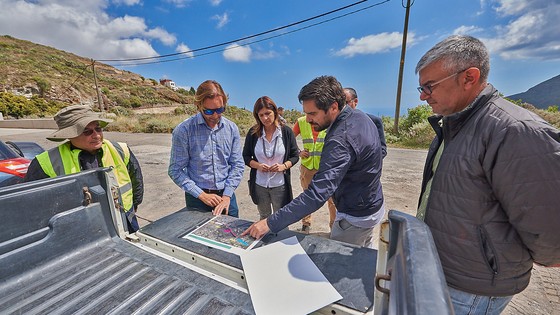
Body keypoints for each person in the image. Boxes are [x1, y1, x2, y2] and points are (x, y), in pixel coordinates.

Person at [415, 35, 560, 315]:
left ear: (469, 77)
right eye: (421, 87)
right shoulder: (455, 123)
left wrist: (550, 254)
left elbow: (547, 218)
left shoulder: (514, 130)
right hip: (447, 273)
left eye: (429, 86)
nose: (422, 95)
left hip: (473, 286)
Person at [243, 75, 385, 248]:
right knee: (364, 254)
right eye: (306, 113)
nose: (308, 120)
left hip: (355, 215)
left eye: (312, 114)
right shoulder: (360, 116)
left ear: (333, 107)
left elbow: (316, 195)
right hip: (371, 203)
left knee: (343, 268)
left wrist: (269, 223)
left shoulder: (341, 138)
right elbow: (378, 135)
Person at [24, 105, 144, 232]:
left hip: (124, 218)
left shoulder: (120, 150)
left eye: (98, 129)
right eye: (87, 131)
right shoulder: (46, 162)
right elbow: (34, 204)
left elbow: (136, 179)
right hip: (79, 228)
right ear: (69, 135)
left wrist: (135, 203)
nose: (97, 135)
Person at [168, 80, 245, 217]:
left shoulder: (231, 128)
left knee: (232, 236)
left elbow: (237, 164)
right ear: (198, 106)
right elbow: (175, 170)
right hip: (197, 199)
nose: (215, 116)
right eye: (209, 111)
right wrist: (201, 195)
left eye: (220, 110)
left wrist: (227, 195)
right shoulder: (184, 131)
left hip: (226, 196)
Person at [242, 96, 299, 220]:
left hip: (280, 185)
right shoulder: (253, 133)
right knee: (264, 217)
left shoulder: (286, 132)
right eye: (261, 115)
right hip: (259, 184)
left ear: (275, 112)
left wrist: (283, 166)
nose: (265, 118)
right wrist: (258, 166)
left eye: (268, 113)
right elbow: (245, 156)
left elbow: (295, 156)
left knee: (282, 218)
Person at [292, 115, 337, 232]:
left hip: (326, 167)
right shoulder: (301, 121)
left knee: (332, 198)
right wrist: (298, 152)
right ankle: (306, 224)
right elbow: (289, 138)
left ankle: (334, 226)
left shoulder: (330, 119)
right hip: (308, 167)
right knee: (307, 196)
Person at [344, 87, 387, 158]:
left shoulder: (373, 121)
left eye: (346, 102)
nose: (343, 106)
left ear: (355, 101)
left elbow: (382, 150)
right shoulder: (334, 122)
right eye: (340, 103)